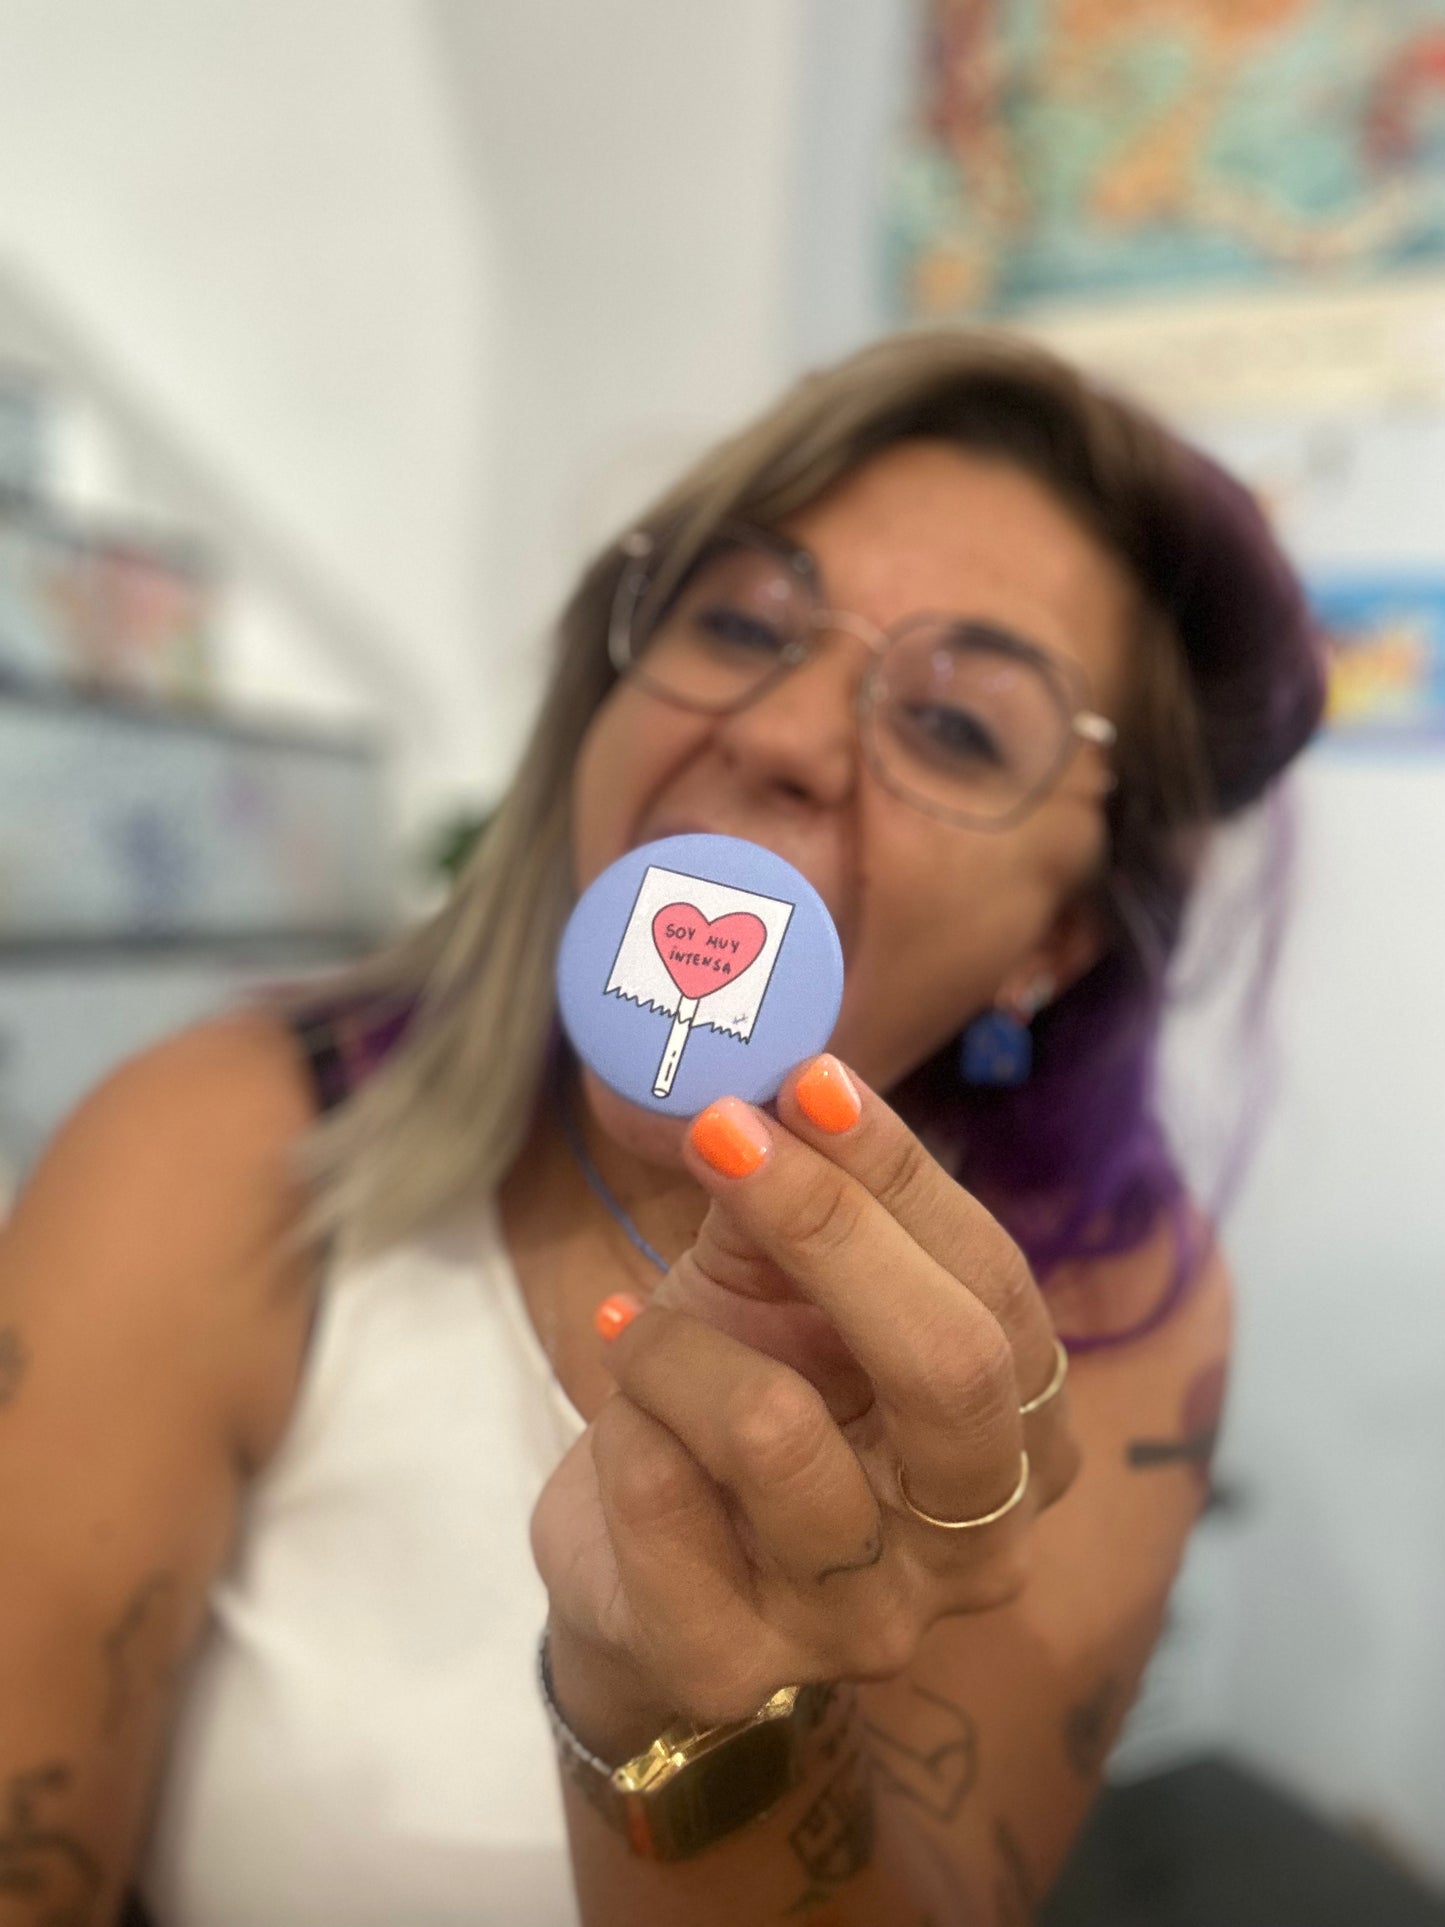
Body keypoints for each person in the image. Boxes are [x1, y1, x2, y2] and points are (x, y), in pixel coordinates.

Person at [0, 331, 1325, 1927]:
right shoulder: (216, 1142)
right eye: (742, 622)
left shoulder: (1103, 1306)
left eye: (956, 726)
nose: (782, 731)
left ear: (1055, 938)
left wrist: (691, 1720)